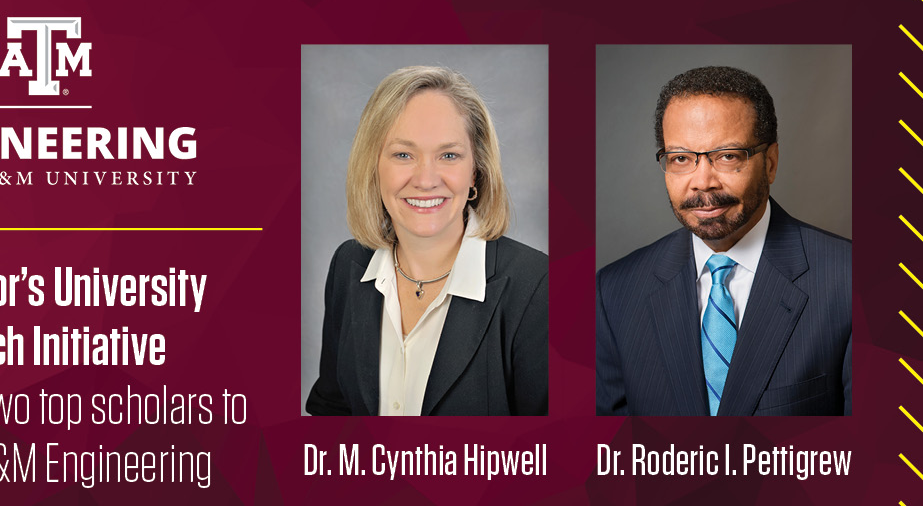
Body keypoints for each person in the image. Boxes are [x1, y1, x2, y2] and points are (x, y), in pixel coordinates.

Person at [596, 66, 851, 416]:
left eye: (728, 156)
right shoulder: (615, 292)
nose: (703, 182)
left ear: (771, 163)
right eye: (681, 159)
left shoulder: (849, 282)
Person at [306, 66, 548, 416]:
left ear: (475, 170)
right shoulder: (348, 265)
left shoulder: (538, 287)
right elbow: (331, 410)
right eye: (403, 154)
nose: (426, 179)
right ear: (373, 166)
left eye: (449, 155)